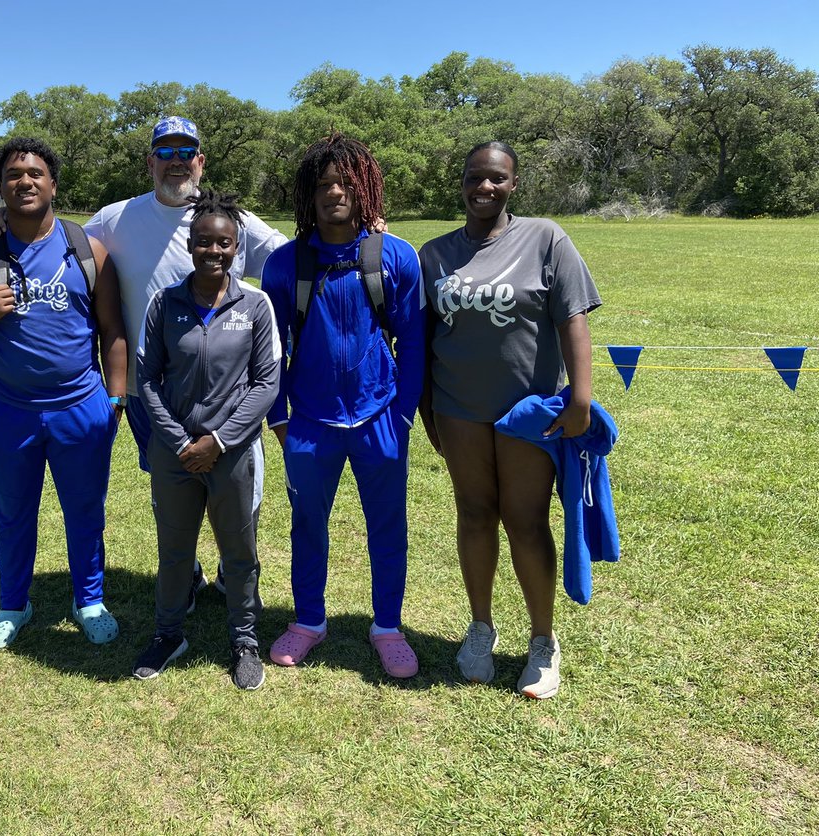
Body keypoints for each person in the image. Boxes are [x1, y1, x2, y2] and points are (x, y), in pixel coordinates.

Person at [0, 116, 289, 600]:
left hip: (227, 389)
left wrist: (364, 227)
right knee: (168, 483)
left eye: (185, 152)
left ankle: (237, 571)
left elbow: (292, 257)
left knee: (239, 484)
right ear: (149, 162)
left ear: (200, 162)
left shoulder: (231, 219)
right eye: (164, 153)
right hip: (152, 389)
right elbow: (52, 243)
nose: (175, 162)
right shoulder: (115, 218)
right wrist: (2, 221)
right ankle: (186, 570)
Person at [417, 141, 601, 699]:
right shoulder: (435, 254)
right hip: (457, 410)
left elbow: (572, 319)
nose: (484, 188)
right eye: (475, 177)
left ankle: (543, 642)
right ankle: (480, 628)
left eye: (496, 178)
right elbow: (423, 339)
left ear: (513, 184)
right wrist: (427, 409)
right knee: (474, 514)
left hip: (529, 416)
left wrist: (581, 399)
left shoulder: (545, 237)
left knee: (526, 521)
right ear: (464, 181)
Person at [0, 137, 127, 648]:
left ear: (53, 183)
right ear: (0, 187)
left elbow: (112, 330)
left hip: (80, 407)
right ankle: (13, 603)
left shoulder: (88, 250)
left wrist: (114, 400)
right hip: (6, 411)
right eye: (13, 175)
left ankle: (89, 599)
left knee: (86, 509)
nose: (25, 181)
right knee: (11, 511)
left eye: (35, 173)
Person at [260, 134, 425, 679]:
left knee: (387, 526)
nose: (334, 191)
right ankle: (308, 621)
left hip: (380, 418)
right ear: (308, 194)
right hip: (308, 422)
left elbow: (415, 342)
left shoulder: (394, 256)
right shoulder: (286, 265)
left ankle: (388, 626)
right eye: (322, 183)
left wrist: (401, 416)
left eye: (344, 181)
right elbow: (270, 350)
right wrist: (280, 417)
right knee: (308, 524)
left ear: (364, 188)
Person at [132, 189, 280, 689]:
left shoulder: (255, 305)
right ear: (190, 245)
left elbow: (266, 384)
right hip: (174, 455)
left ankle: (244, 640)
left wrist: (218, 440)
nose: (213, 251)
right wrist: (178, 442)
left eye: (224, 243)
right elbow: (147, 379)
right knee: (174, 550)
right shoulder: (164, 302)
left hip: (233, 454)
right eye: (203, 241)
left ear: (236, 248)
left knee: (239, 550)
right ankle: (168, 632)